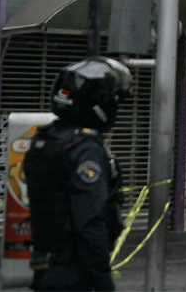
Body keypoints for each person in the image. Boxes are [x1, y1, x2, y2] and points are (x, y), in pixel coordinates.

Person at [25, 57, 133, 292]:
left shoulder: (45, 139)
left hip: (46, 270)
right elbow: (89, 222)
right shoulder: (85, 150)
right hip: (76, 273)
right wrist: (104, 283)